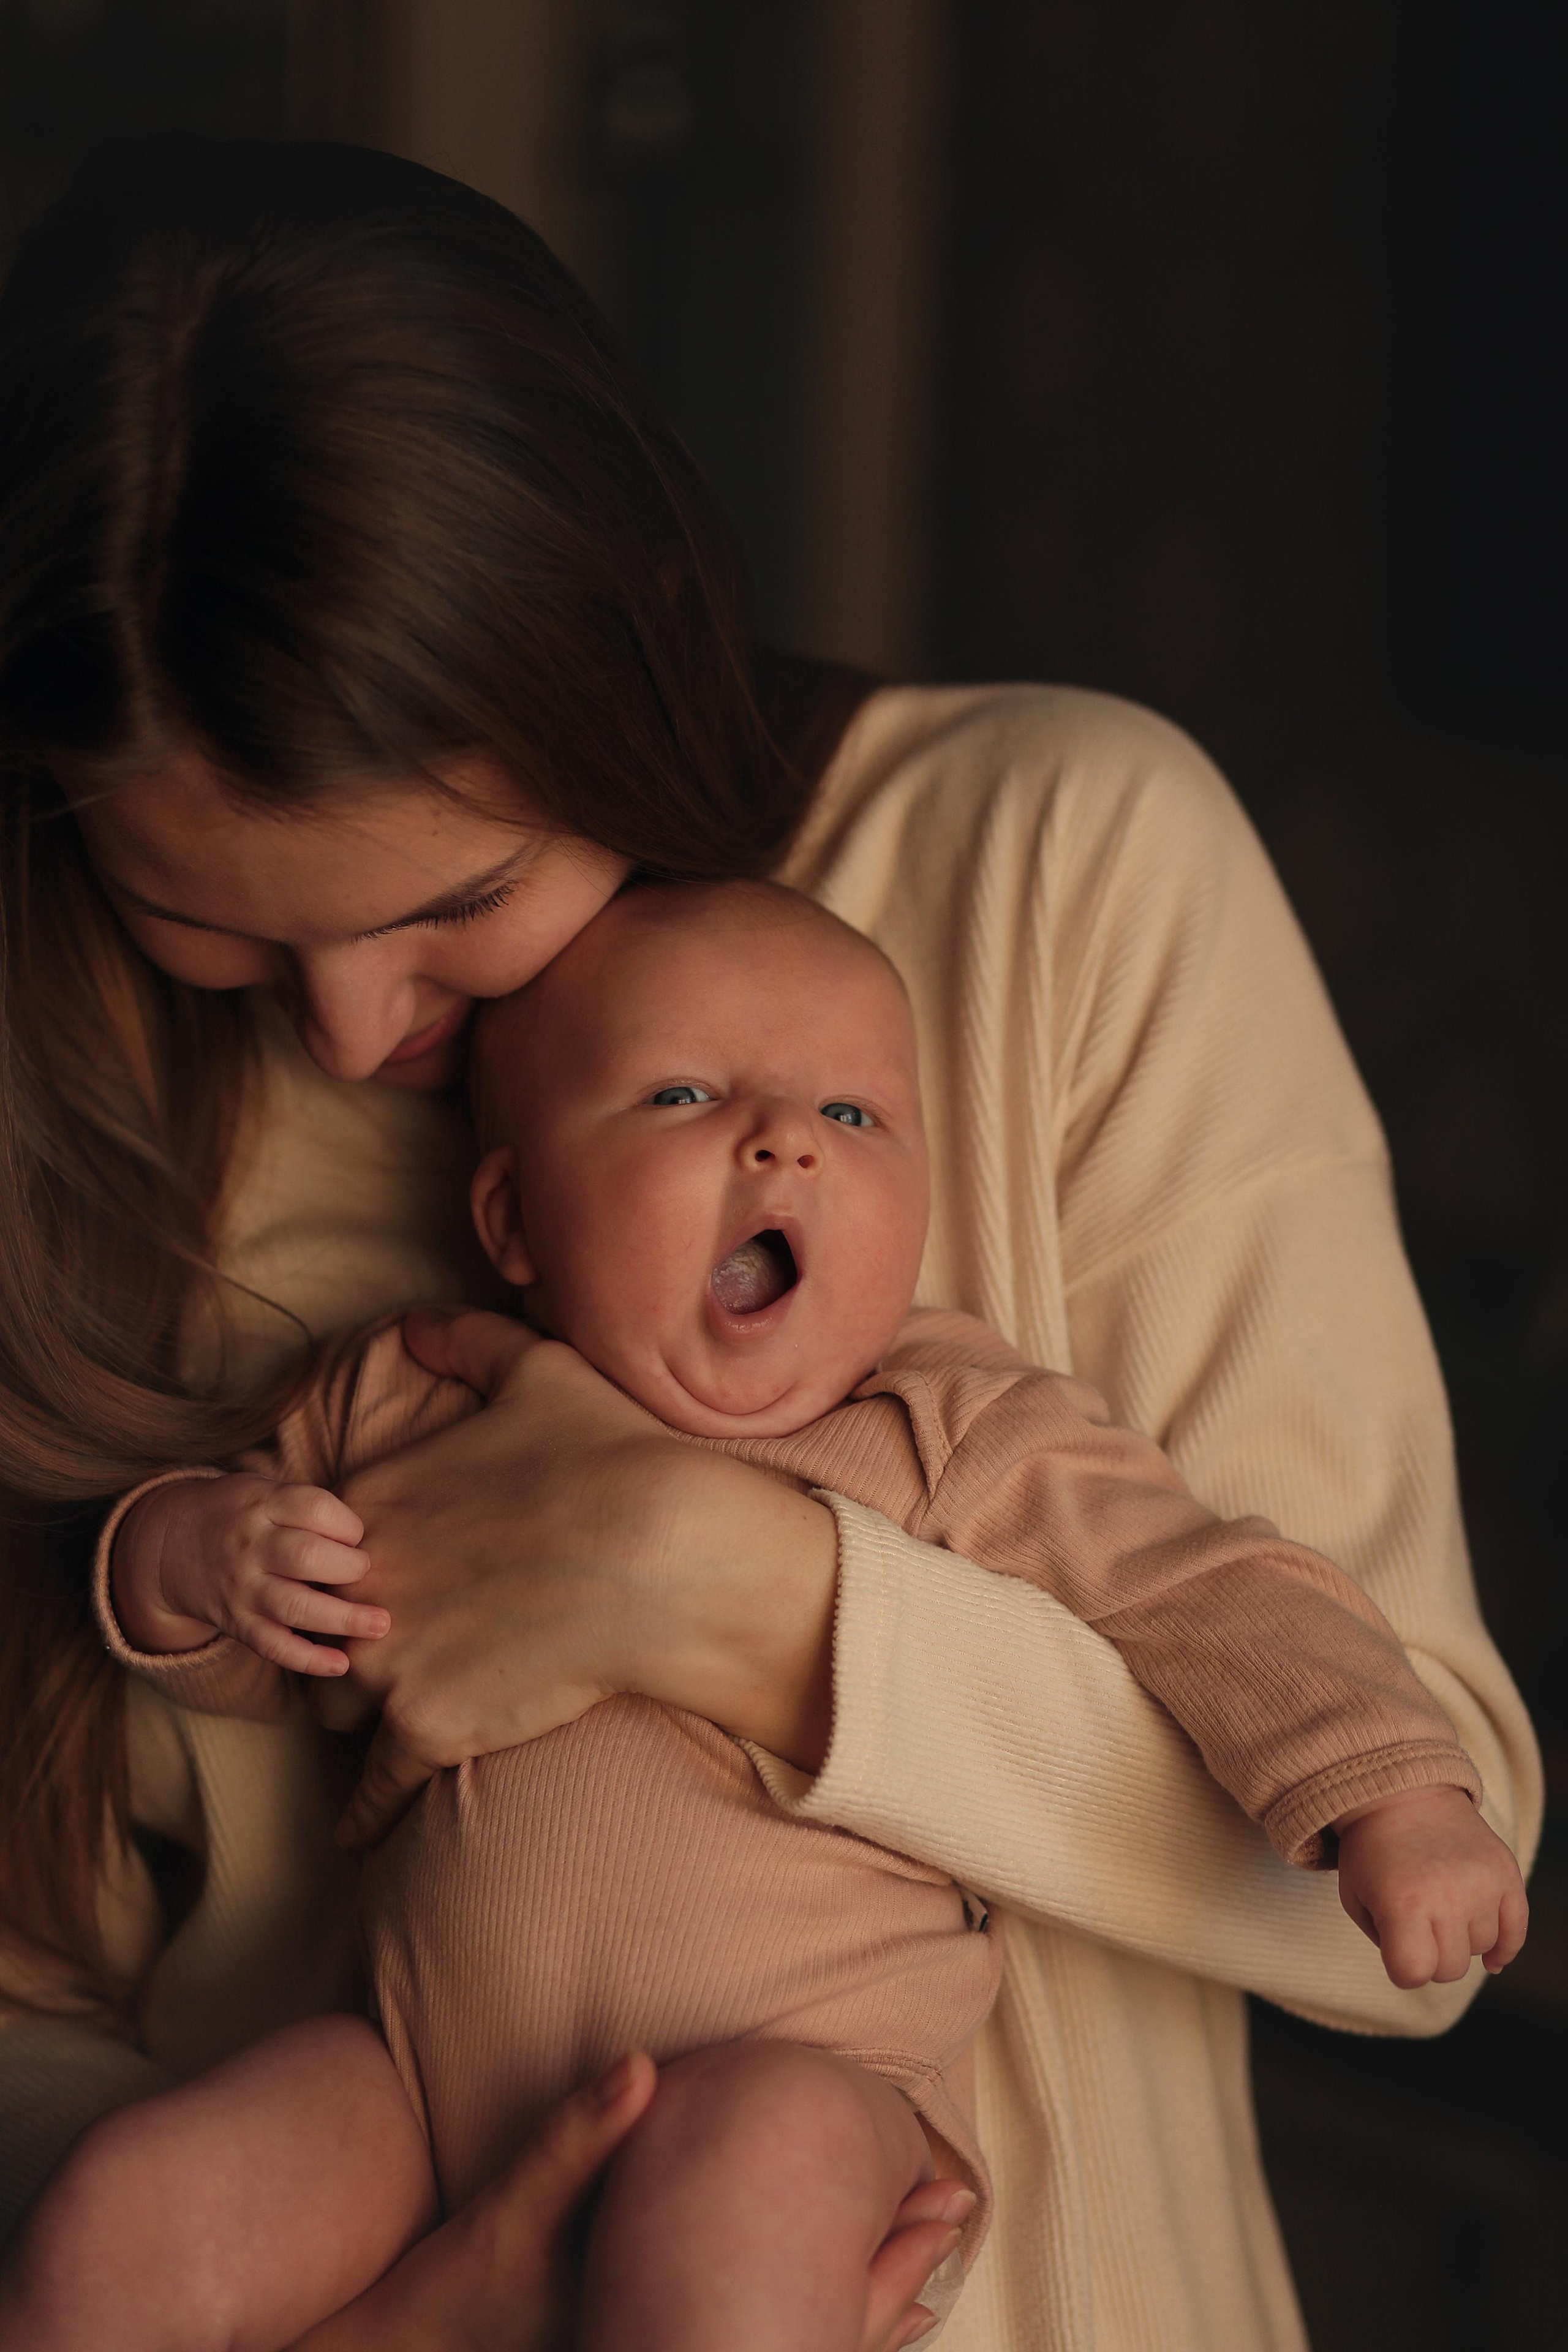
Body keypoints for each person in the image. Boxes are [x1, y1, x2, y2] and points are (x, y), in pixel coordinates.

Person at [0, 135, 1540, 2352]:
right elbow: (38, 1970)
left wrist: (736, 1598)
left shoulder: (1057, 875)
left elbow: (1403, 1882)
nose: (353, 1034)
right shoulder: (83, 1063)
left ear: (608, 664)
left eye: (454, 903)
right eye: (215, 930)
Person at [6, 878, 1525, 2352]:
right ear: (513, 1215)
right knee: (125, 2218)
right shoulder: (416, 1386)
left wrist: (1390, 1785)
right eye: (681, 1098)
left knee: (740, 2202)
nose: (784, 1141)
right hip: (411, 2088)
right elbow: (245, 1649)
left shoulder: (951, 1420)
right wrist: (191, 1557)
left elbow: (1201, 1591)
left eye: (853, 1118)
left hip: (797, 2064)